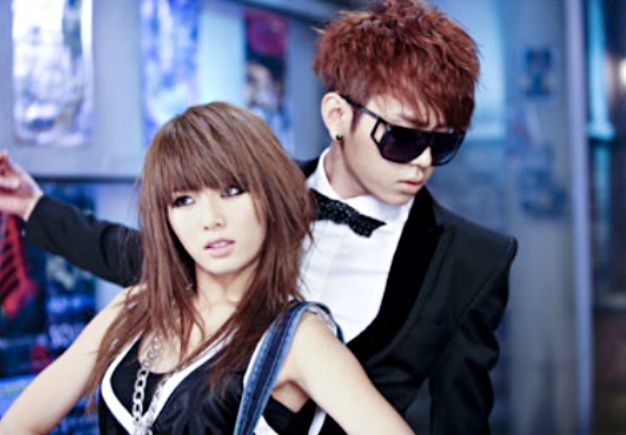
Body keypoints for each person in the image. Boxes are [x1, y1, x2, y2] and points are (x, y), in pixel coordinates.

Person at [0, 1, 517, 434]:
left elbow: (461, 417)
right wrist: (34, 208)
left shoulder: (471, 259)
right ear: (338, 116)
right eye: (402, 138)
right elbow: (146, 253)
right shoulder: (253, 189)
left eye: (442, 144)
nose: (424, 162)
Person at [0, 102, 414, 435]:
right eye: (184, 200)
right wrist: (33, 205)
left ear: (271, 197)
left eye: (232, 191)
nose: (211, 219)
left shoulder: (298, 339)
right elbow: (18, 425)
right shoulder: (133, 309)